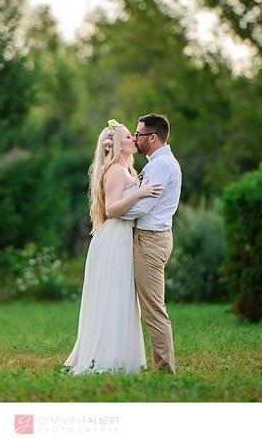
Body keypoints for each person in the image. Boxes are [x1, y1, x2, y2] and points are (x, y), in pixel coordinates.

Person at [64, 119, 163, 375]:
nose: (133, 138)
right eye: (128, 135)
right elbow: (111, 209)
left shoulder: (125, 171)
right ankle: (106, 357)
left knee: (120, 298)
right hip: (112, 240)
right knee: (113, 297)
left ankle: (119, 356)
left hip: (121, 239)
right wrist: (140, 193)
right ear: (118, 144)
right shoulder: (116, 171)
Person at [119, 113, 182, 374]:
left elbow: (143, 206)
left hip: (150, 241)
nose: (135, 138)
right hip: (151, 238)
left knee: (153, 309)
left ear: (152, 138)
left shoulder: (160, 166)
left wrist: (115, 212)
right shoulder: (159, 163)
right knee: (149, 306)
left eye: (139, 134)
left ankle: (165, 371)